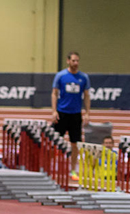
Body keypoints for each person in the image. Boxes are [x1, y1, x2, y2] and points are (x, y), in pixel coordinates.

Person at [51, 51, 90, 181]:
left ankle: (73, 170)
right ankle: (51, 166)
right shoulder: (60, 76)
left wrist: (87, 112)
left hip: (76, 115)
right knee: (54, 142)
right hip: (62, 113)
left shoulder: (83, 77)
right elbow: (54, 94)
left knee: (75, 144)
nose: (75, 63)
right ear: (68, 61)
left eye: (77, 61)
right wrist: (54, 111)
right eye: (73, 60)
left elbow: (87, 95)